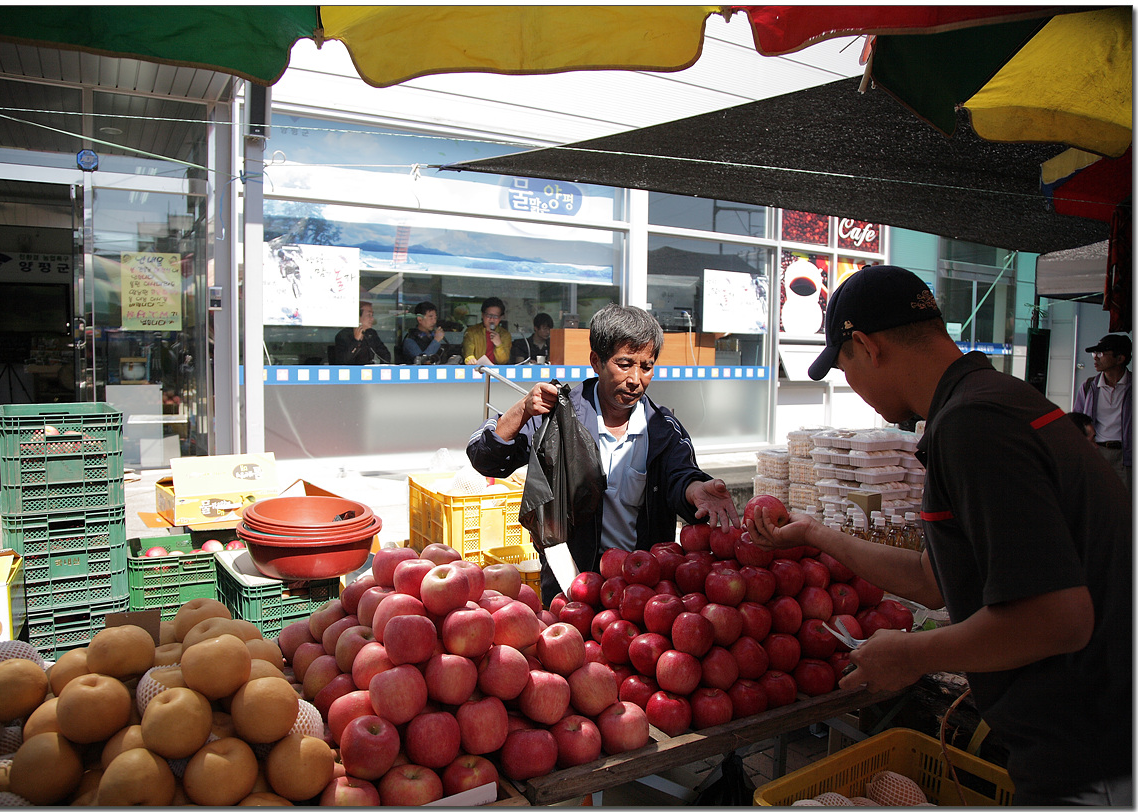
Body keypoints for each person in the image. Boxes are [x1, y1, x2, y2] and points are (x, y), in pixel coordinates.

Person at [744, 266, 1132, 806]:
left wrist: (912, 654)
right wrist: (816, 533)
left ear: (867, 346)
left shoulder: (974, 425)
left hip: (1096, 752)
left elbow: (1057, 618)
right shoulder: (996, 400)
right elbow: (934, 579)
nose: (850, 385)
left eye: (844, 366)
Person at [466, 303, 739, 603]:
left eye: (646, 367)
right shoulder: (560, 417)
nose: (636, 379)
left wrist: (696, 489)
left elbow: (680, 475)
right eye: (624, 364)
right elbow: (485, 459)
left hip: (642, 594)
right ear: (596, 361)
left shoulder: (662, 429)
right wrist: (522, 409)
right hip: (570, 590)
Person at [1072, 333, 1131, 490]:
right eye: (1094, 354)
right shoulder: (1089, 386)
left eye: (1101, 354)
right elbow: (1077, 422)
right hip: (1097, 452)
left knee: (1125, 500)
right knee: (1097, 496)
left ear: (1120, 359)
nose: (1095, 358)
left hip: (1126, 456)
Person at [461, 297, 513, 364]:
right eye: (489, 315)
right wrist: (470, 359)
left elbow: (503, 361)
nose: (492, 319)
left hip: (496, 369)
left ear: (500, 318)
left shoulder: (505, 335)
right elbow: (468, 353)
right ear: (482, 315)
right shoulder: (471, 332)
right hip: (477, 368)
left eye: (495, 316)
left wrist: (499, 344)